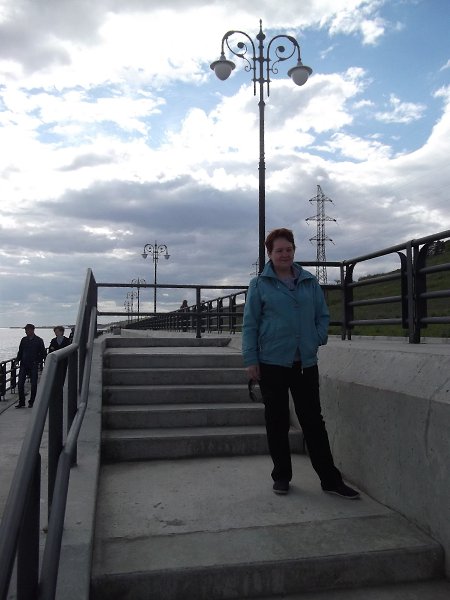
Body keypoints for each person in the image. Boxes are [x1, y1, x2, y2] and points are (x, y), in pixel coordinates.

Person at [242, 228, 360, 499]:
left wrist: (316, 338)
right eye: (279, 250)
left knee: (313, 422)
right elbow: (250, 325)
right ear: (270, 254)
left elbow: (322, 315)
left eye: (289, 249)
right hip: (271, 362)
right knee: (277, 421)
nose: (284, 254)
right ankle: (282, 476)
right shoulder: (259, 285)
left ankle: (330, 480)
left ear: (294, 250)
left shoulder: (309, 281)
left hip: (305, 363)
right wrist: (251, 359)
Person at [15, 324, 47, 408]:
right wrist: (17, 360)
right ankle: (21, 402)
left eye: (27, 330)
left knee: (34, 384)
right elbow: (20, 351)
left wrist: (39, 361)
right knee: (20, 384)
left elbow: (43, 353)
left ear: (32, 330)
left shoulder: (39, 340)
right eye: (25, 330)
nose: (26, 331)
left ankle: (32, 401)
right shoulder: (23, 340)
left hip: (33, 365)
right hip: (24, 364)